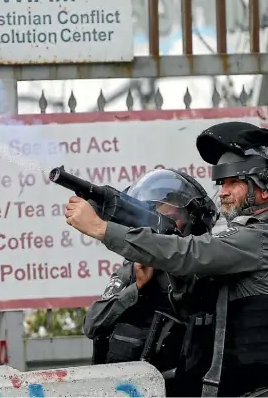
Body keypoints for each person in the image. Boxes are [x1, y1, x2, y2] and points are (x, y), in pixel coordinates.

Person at [65, 122, 268, 397]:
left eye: (233, 182)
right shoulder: (246, 242)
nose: (224, 192)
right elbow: (191, 304)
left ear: (264, 189)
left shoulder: (259, 240)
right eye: (222, 183)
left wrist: (101, 229)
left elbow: (186, 253)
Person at [82, 168, 219, 396]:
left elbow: (189, 305)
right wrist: (136, 288)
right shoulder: (133, 266)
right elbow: (92, 324)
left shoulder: (199, 267)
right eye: (159, 218)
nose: (164, 228)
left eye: (173, 219)